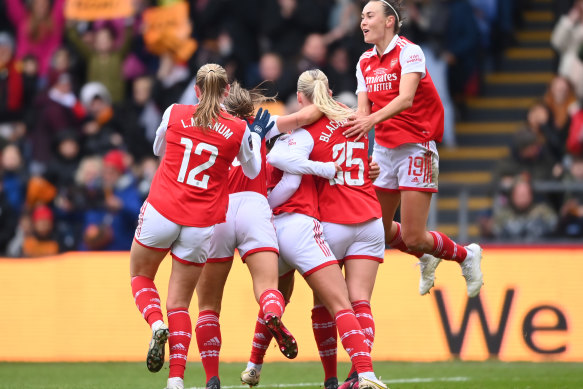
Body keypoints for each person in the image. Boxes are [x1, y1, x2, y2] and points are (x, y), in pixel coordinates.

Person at [129, 64, 271, 389]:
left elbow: (158, 150)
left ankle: (154, 326)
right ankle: (176, 380)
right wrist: (254, 138)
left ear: (195, 89)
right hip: (200, 222)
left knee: (140, 275)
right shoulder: (238, 129)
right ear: (225, 92)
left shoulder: (175, 112)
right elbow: (251, 172)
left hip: (162, 210)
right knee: (180, 303)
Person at [244, 72, 387, 389]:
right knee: (358, 302)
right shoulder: (357, 119)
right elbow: (369, 163)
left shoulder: (306, 129)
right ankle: (361, 373)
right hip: (369, 218)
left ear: (300, 97)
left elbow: (282, 160)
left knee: (306, 300)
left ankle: (326, 378)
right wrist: (369, 167)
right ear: (330, 92)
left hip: (329, 221)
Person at [344, 0, 483, 297]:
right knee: (378, 231)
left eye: (369, 16)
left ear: (389, 21)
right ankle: (426, 256)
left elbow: (406, 99)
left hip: (415, 146)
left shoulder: (410, 52)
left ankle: (466, 256)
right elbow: (362, 112)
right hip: (383, 149)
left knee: (414, 235)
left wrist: (368, 120)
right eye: (362, 17)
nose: (363, 22)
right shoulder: (364, 62)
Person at [193, 82, 325, 389]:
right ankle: (271, 314)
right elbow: (308, 116)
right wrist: (323, 96)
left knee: (209, 306)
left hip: (218, 212)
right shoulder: (263, 126)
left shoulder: (203, 127)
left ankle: (212, 378)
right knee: (267, 287)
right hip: (255, 208)